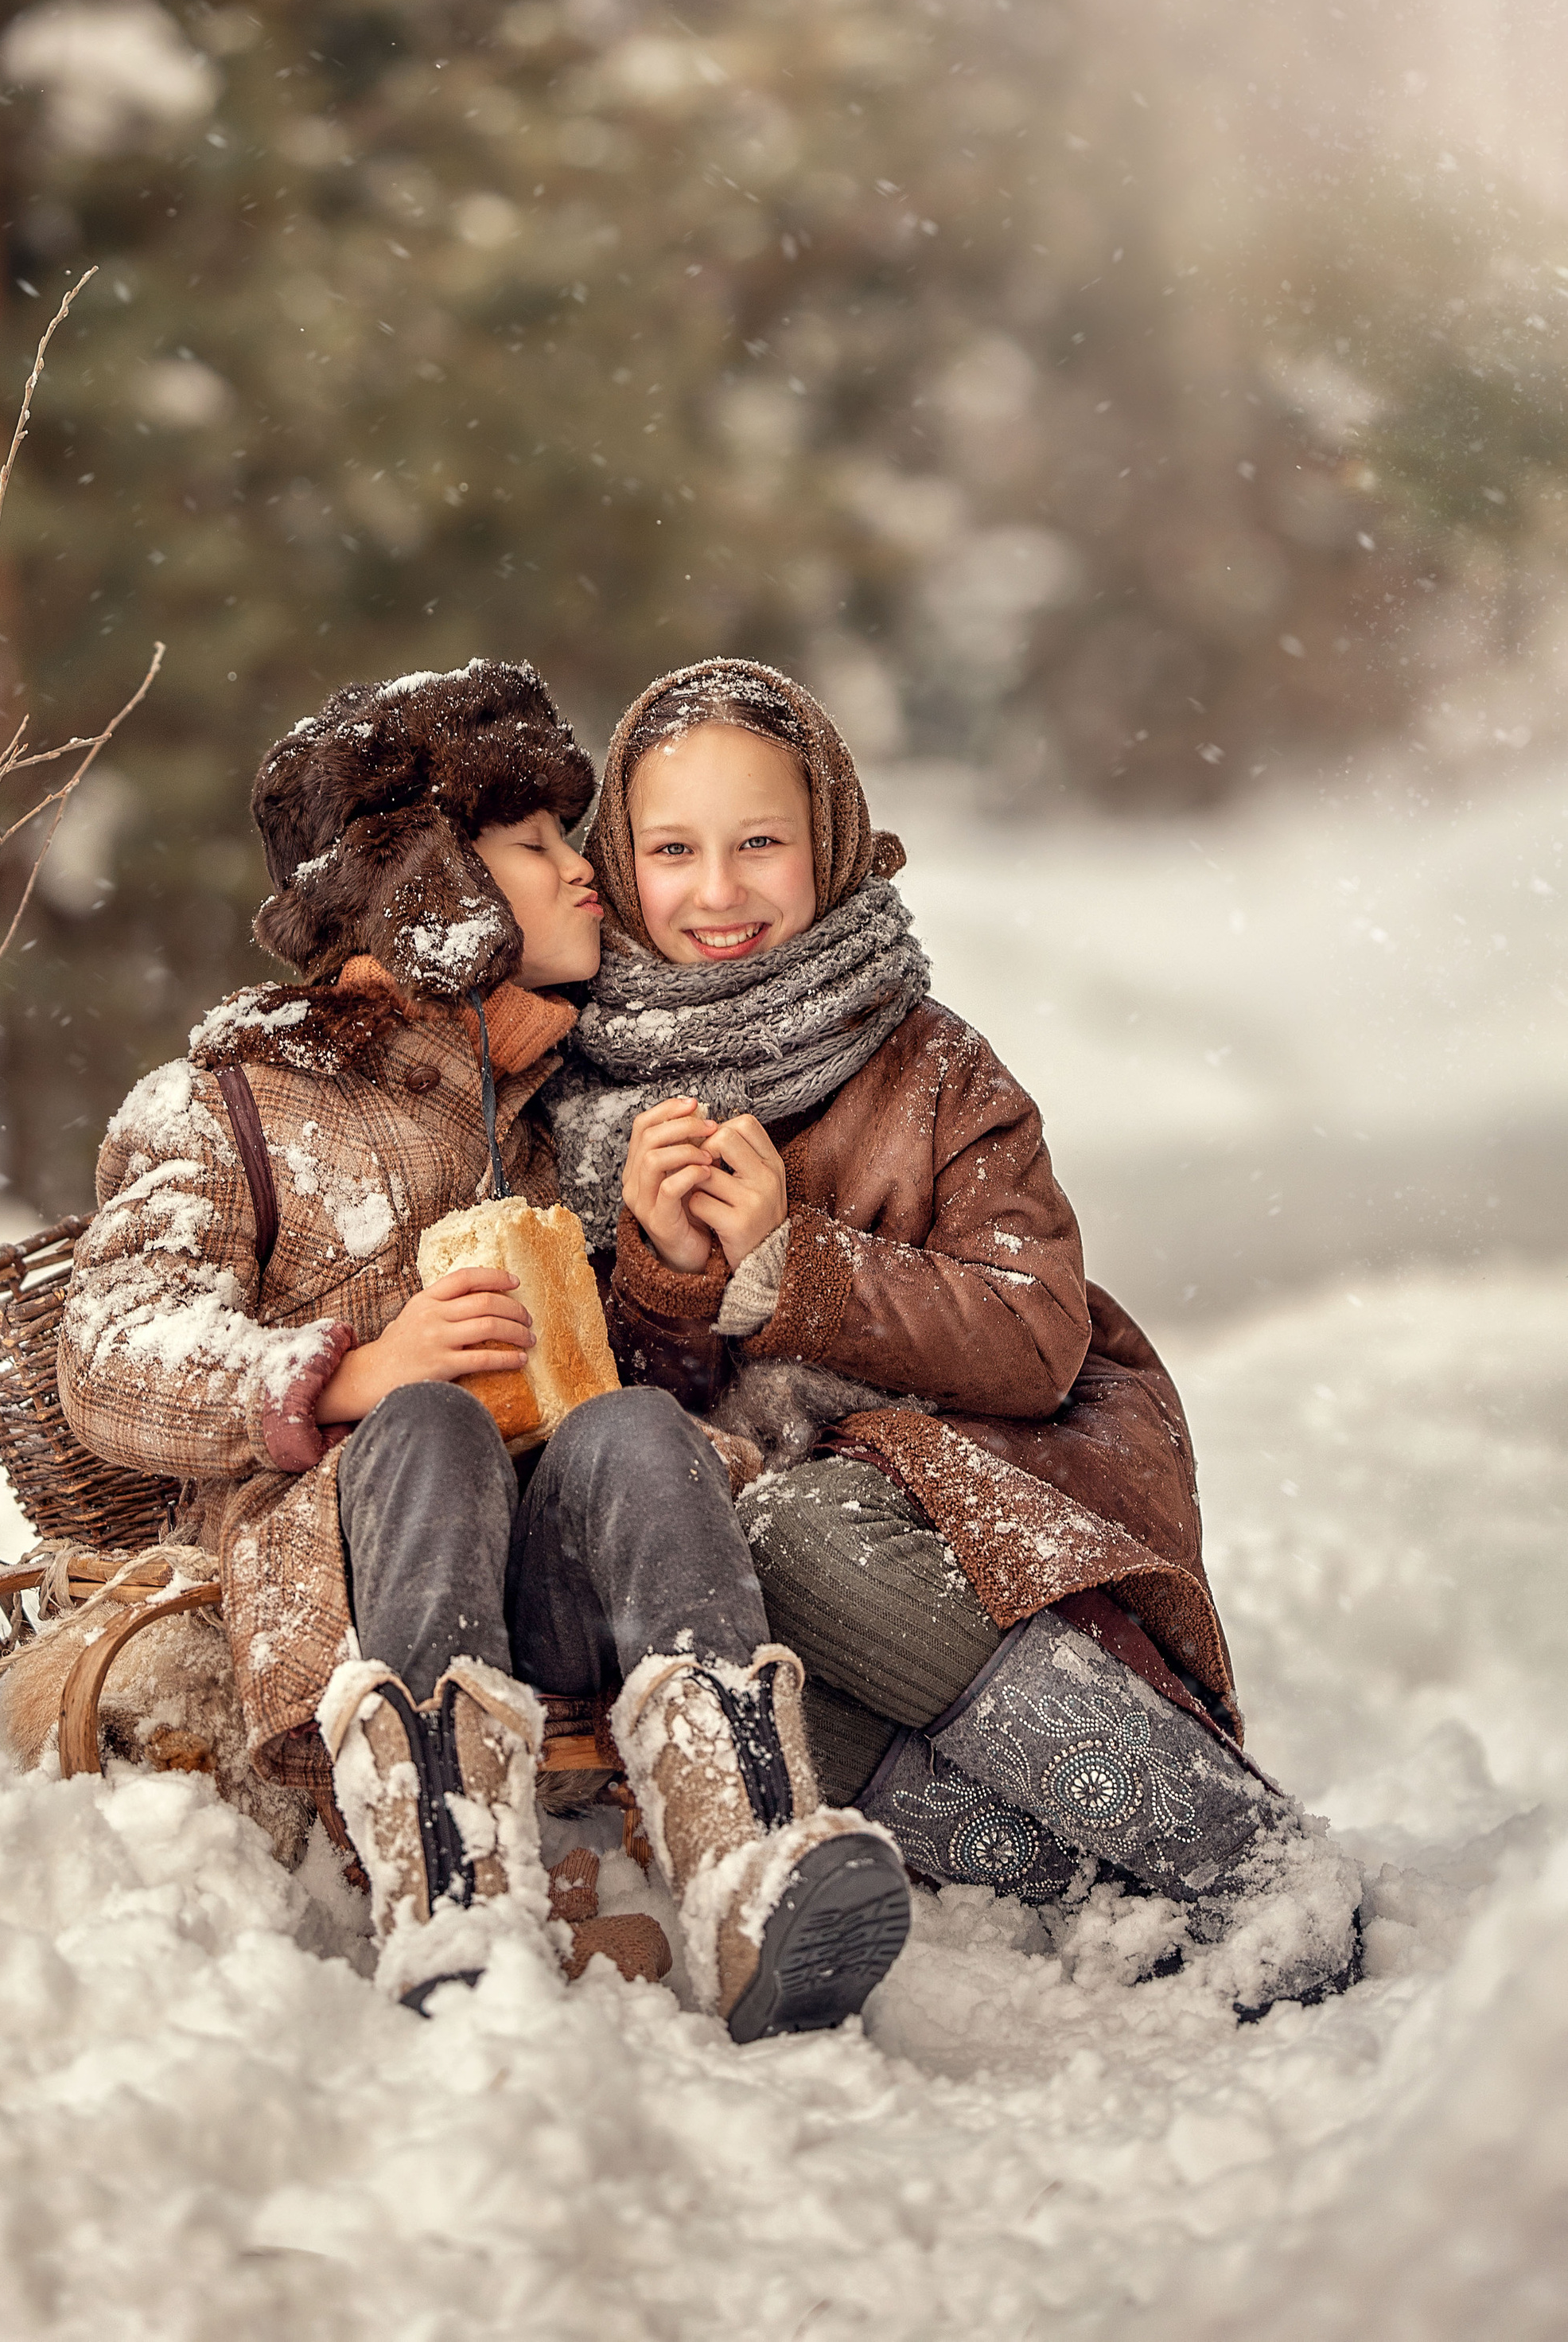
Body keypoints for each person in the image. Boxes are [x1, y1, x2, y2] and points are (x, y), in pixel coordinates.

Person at [56, 659, 910, 2034]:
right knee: (430, 1424)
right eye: (538, 845)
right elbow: (106, 1350)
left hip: (554, 1599)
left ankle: (752, 1862)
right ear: (435, 885)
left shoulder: (571, 1109)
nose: (590, 874)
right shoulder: (235, 1103)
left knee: (628, 1432)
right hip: (340, 1589)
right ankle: (451, 1883)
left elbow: (639, 1391)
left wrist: (670, 1297)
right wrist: (350, 1372)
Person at [548, 658, 1361, 2016]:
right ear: (621, 869)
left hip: (977, 1489)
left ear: (832, 841)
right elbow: (624, 1417)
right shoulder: (588, 1095)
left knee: (800, 1535)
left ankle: (1245, 1856)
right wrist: (675, 1280)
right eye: (674, 850)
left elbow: (1038, 1334)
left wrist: (789, 1269)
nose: (718, 890)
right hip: (786, 1551)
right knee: (735, 1679)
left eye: (762, 843)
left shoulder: (928, 1063)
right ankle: (1102, 1898)